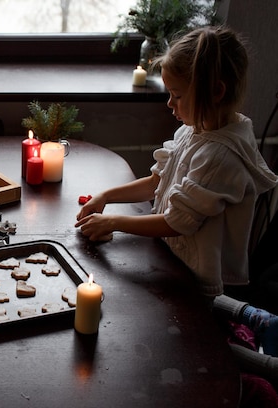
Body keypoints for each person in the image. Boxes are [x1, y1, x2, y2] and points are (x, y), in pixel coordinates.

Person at [75, 26, 278, 298]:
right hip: (171, 260)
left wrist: (112, 222)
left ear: (216, 91)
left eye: (178, 95)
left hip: (197, 282)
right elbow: (156, 182)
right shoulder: (196, 129)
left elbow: (176, 222)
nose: (170, 104)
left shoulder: (220, 156)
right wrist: (105, 196)